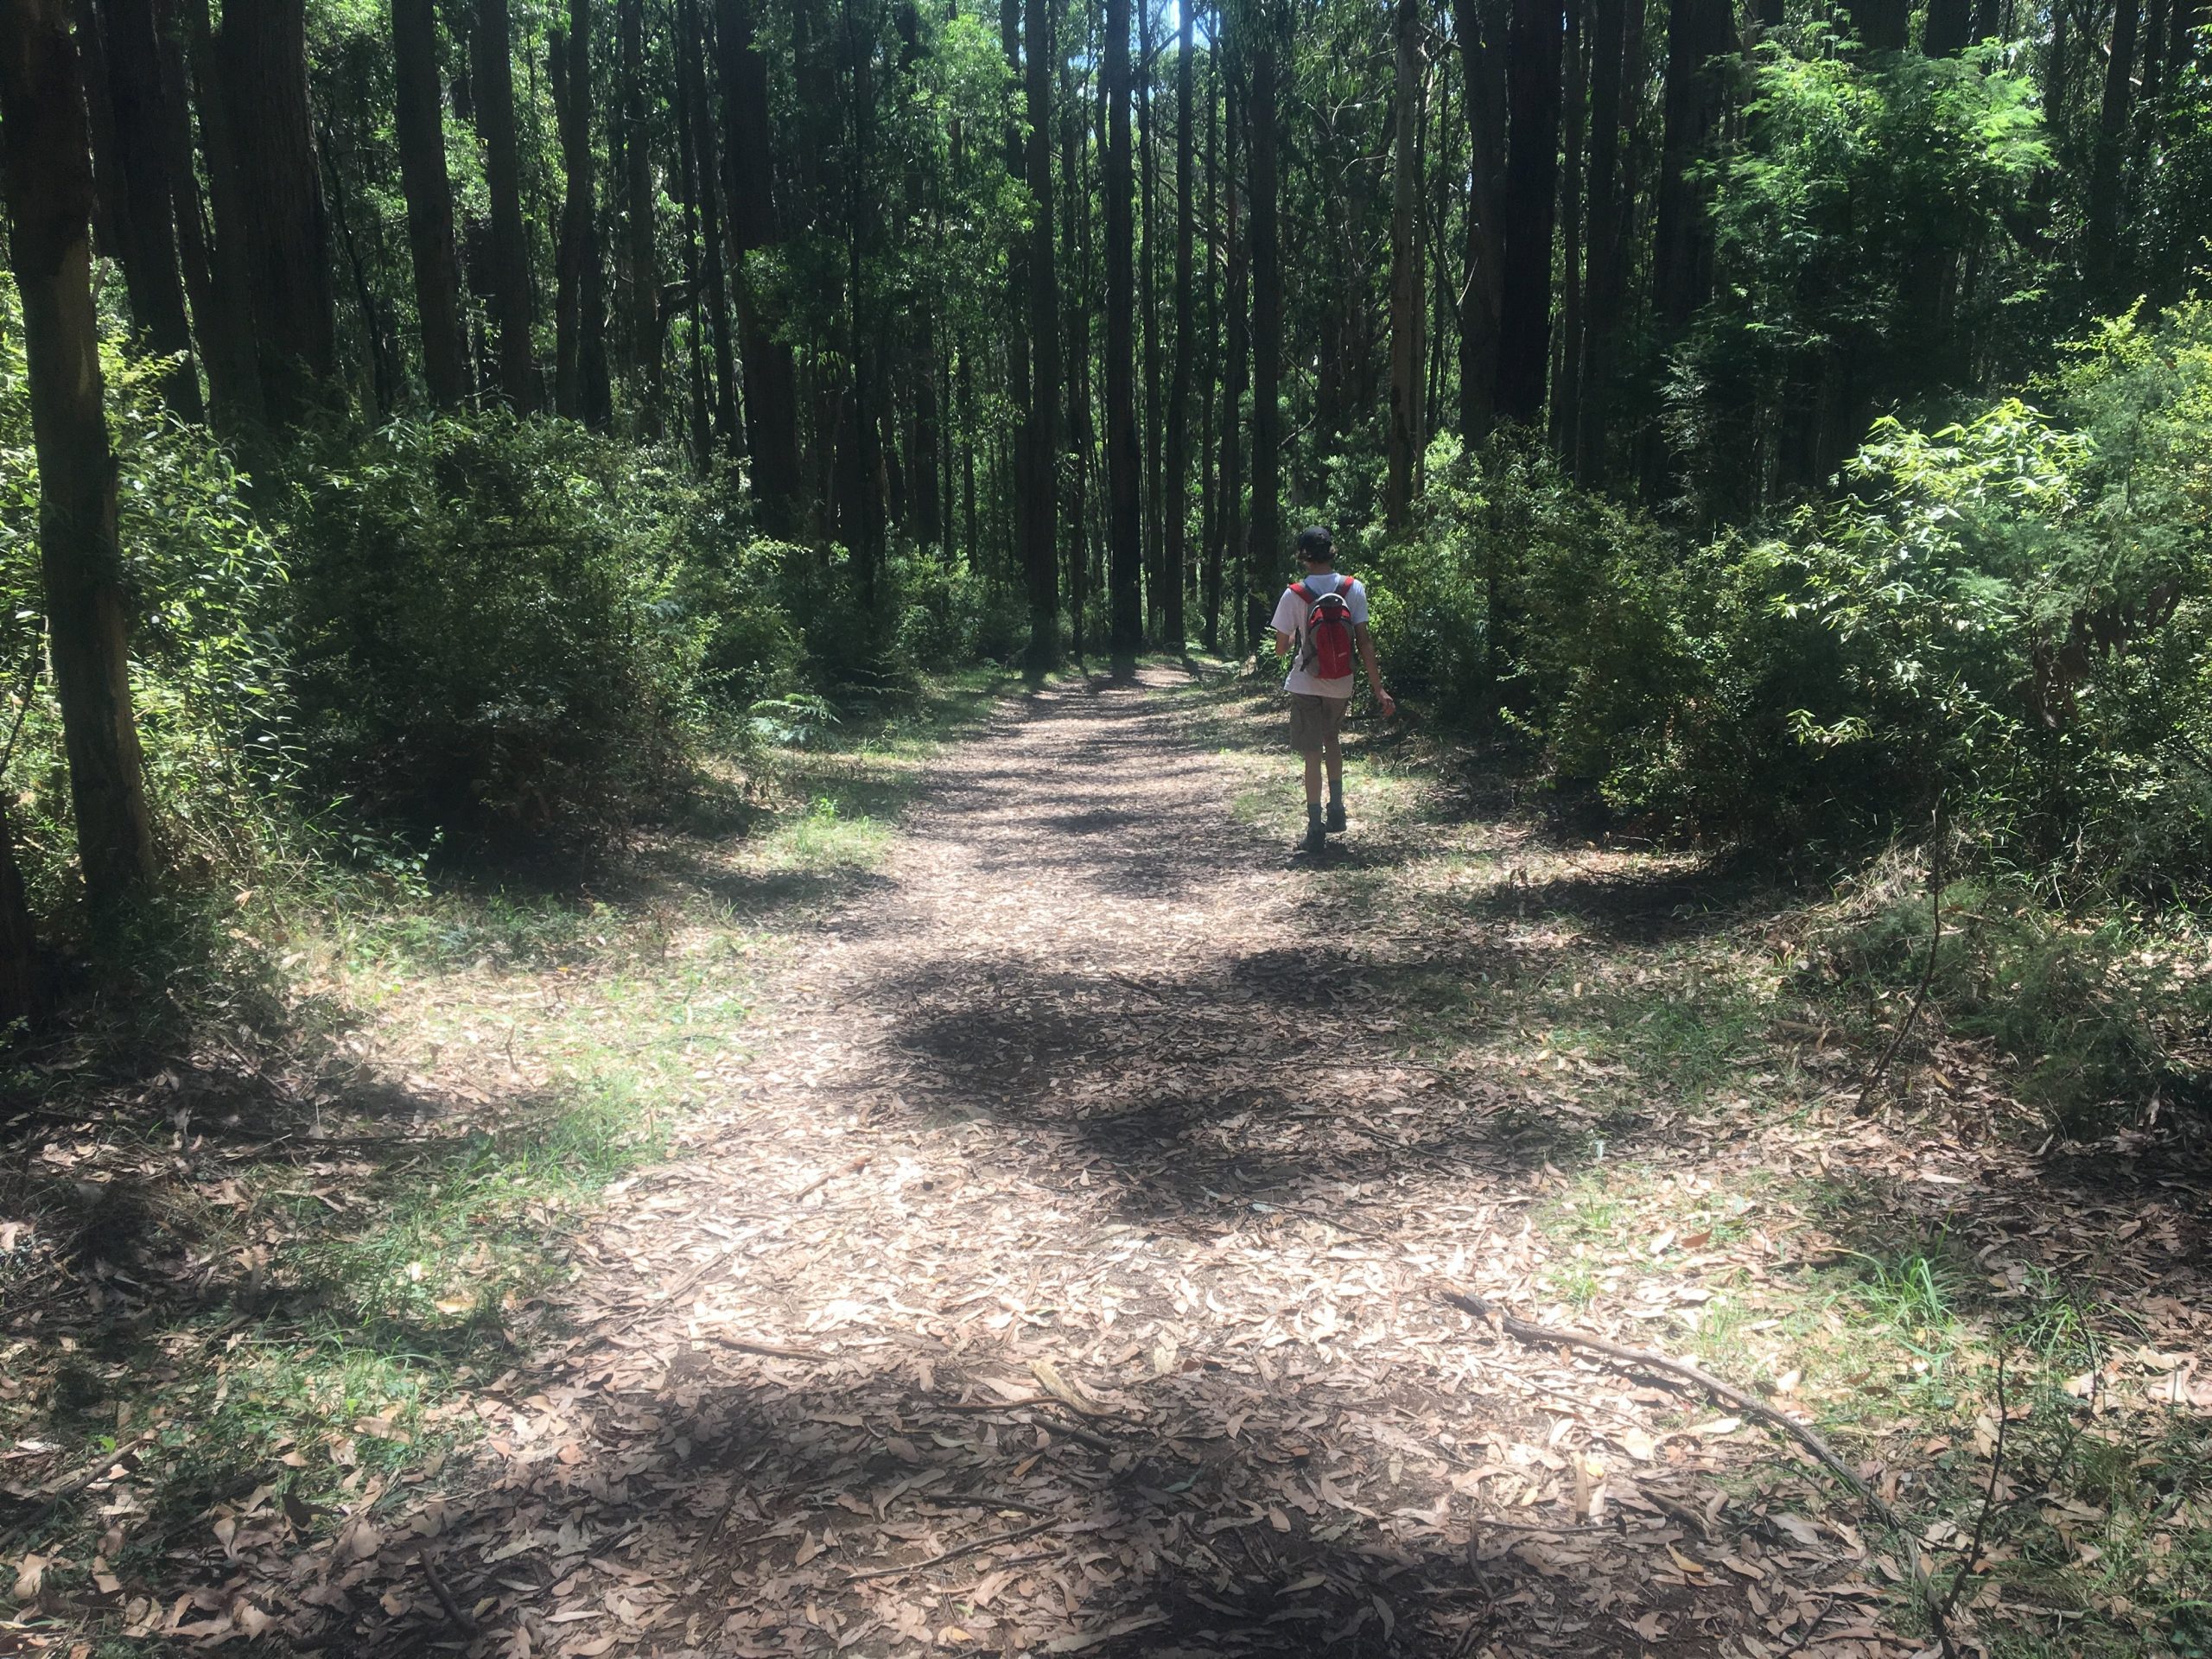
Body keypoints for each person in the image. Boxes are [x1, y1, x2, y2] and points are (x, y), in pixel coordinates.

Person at [1270, 525, 1394, 854]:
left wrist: (1295, 637)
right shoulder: (1354, 589)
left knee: (1312, 753)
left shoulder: (1293, 594)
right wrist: (1378, 689)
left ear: (1304, 557)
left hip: (1306, 682)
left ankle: (1315, 827)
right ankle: (1336, 810)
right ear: (1332, 552)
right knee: (1332, 740)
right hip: (1342, 682)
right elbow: (1364, 642)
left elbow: (1281, 649)